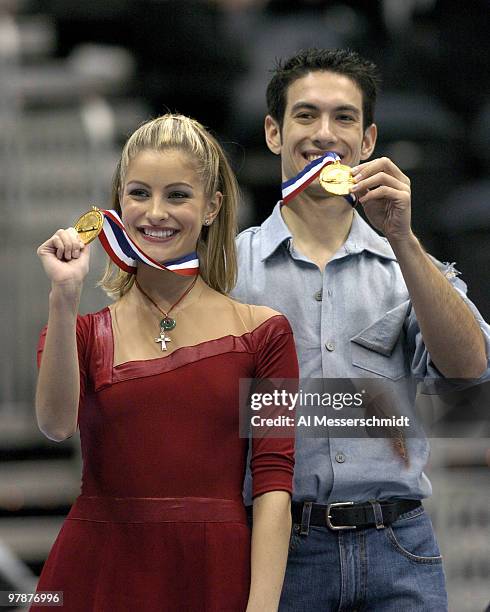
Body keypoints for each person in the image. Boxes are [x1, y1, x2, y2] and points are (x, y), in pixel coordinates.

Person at [231, 48, 490, 611]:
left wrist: (403, 238)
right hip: (278, 552)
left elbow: (472, 367)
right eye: (305, 115)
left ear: (367, 141)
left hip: (400, 547)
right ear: (274, 133)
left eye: (343, 118)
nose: (325, 134)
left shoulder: (409, 267)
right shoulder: (229, 270)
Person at [34, 114, 297, 611]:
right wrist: (64, 296)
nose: (156, 213)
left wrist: (262, 607)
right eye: (138, 194)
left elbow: (274, 483)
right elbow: (54, 425)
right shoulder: (83, 331)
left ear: (212, 207)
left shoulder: (266, 333)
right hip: (99, 571)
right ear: (118, 204)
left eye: (177, 195)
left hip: (214, 573)